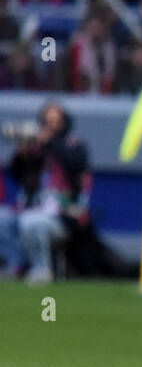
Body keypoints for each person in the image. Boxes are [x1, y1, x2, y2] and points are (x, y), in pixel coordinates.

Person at [0, 102, 91, 284]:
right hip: (31, 205)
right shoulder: (36, 147)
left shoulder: (73, 144)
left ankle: (41, 268)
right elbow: (17, 174)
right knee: (3, 218)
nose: (50, 127)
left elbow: (75, 165)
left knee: (31, 222)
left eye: (55, 122)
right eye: (47, 122)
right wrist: (22, 154)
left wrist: (50, 143)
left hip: (61, 214)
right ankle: (16, 264)